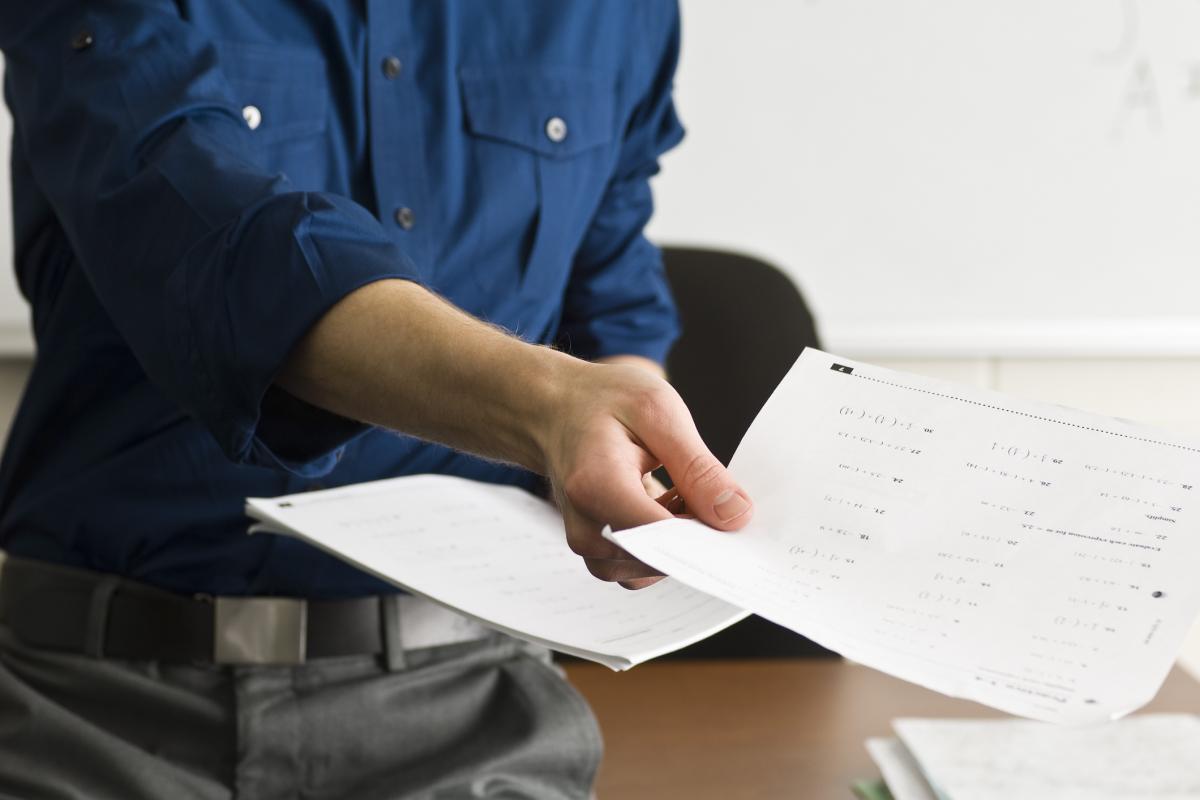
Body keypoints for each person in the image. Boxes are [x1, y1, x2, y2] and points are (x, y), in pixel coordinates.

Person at [0, 2, 754, 798]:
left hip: (473, 705)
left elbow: (611, 290)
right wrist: (553, 408)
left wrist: (630, 448)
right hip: (95, 706)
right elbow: (224, 247)